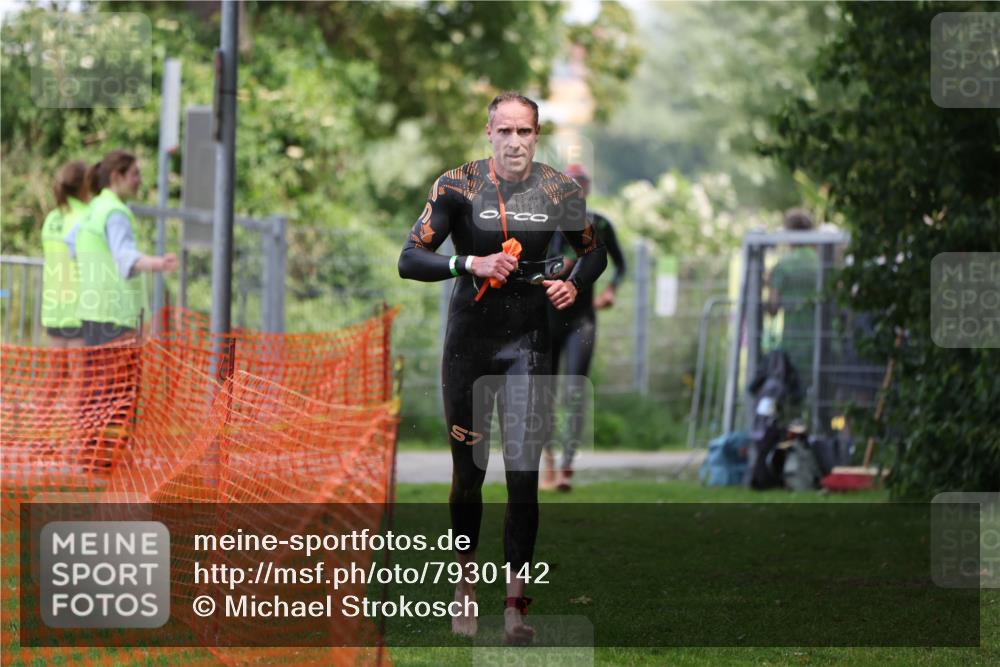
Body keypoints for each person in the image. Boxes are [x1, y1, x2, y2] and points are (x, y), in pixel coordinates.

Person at [398, 92, 607, 643]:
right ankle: (465, 587)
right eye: (506, 131)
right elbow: (409, 258)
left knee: (522, 478)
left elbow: (595, 251)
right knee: (469, 477)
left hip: (528, 345)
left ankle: (516, 607)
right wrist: (469, 261)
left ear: (537, 136)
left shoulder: (559, 189)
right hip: (469, 343)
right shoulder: (457, 186)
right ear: (488, 133)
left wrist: (573, 282)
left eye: (526, 132)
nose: (515, 142)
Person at [541, 164, 626, 492]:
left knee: (575, 391)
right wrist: (556, 267)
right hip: (547, 318)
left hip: (582, 319)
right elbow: (530, 265)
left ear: (587, 189)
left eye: (580, 185)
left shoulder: (600, 224)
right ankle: (547, 460)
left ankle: (567, 466)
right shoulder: (546, 225)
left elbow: (620, 264)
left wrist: (610, 290)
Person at [66, 150, 177, 346]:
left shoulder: (94, 207)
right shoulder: (116, 212)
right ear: (116, 176)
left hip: (92, 312)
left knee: (97, 377)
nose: (139, 180)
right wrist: (159, 263)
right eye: (135, 174)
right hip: (116, 316)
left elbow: (72, 246)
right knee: (118, 377)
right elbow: (125, 257)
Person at [765, 208, 819, 400]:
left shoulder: (783, 266)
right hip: (824, 342)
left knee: (793, 397)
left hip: (793, 344)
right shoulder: (822, 263)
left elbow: (773, 306)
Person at [41, 161, 91, 348]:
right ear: (86, 185)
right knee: (78, 378)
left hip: (53, 309)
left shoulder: (52, 218)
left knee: (55, 377)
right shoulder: (87, 216)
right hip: (79, 309)